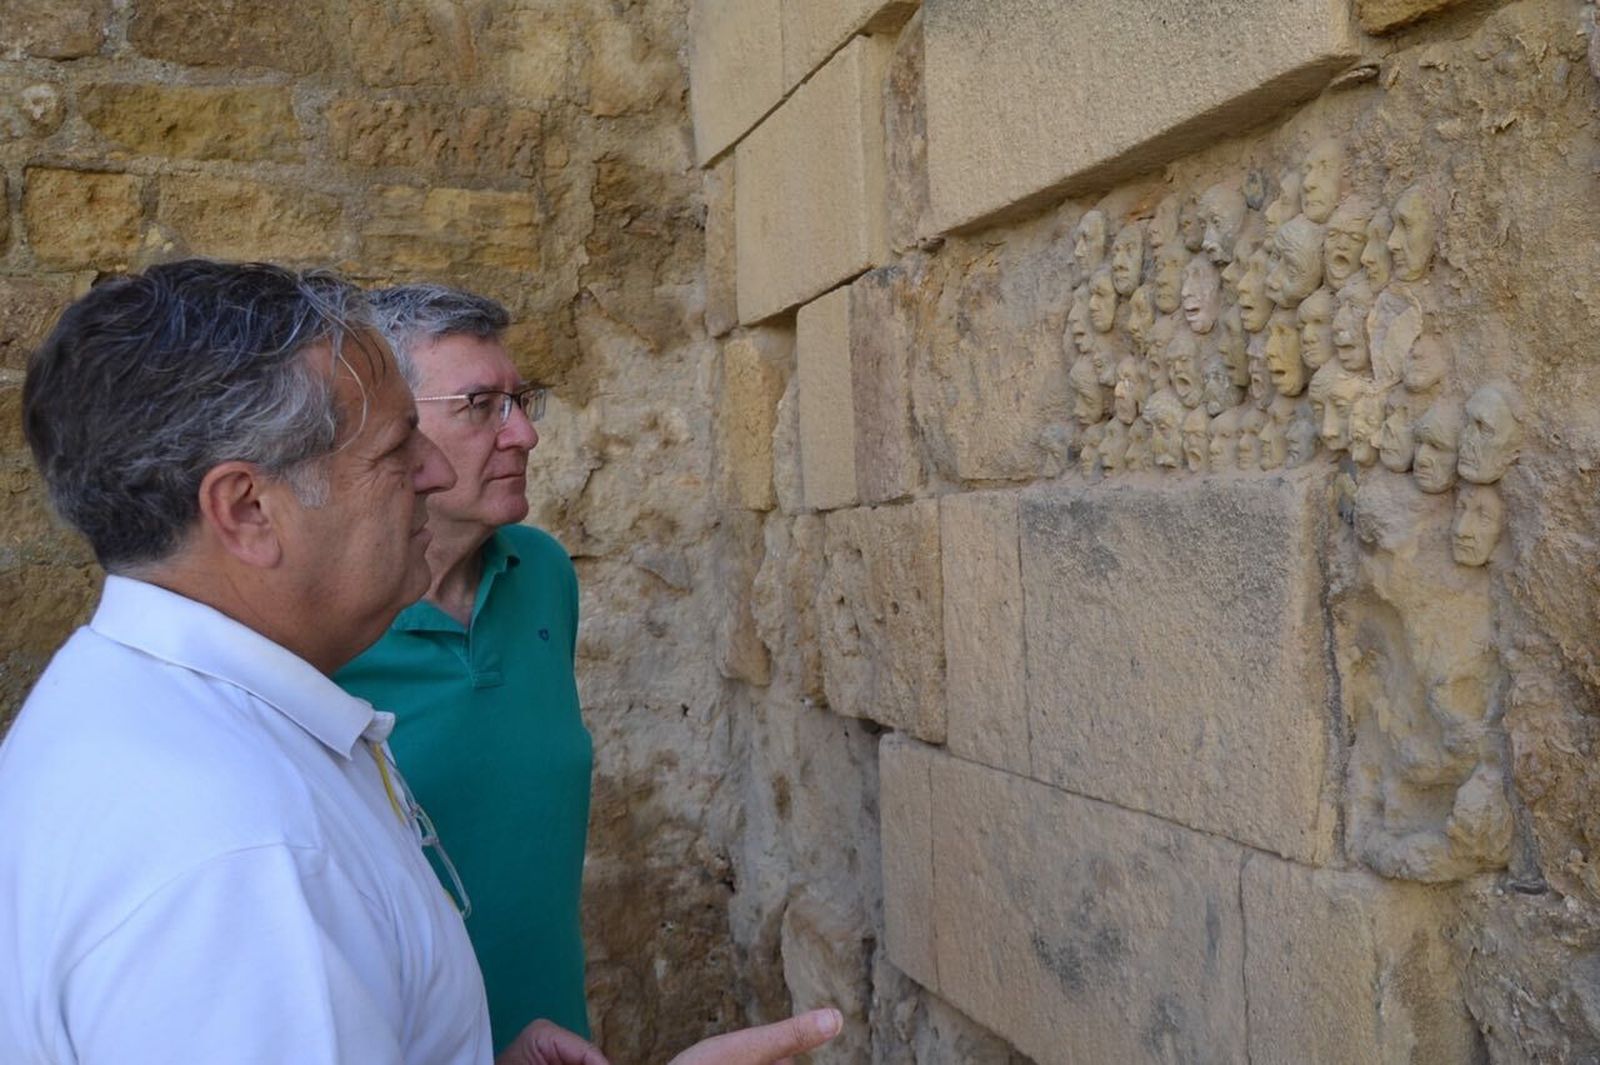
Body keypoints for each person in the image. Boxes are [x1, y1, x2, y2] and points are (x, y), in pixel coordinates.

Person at [0, 259, 839, 1065]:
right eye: (400, 447)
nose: (433, 473)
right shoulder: (246, 867)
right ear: (249, 508)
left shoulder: (141, 713)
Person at [335, 286, 590, 1051]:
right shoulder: (328, 631)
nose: (525, 434)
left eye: (521, 399)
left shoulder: (543, 572)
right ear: (393, 433)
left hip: (553, 1039)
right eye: (481, 405)